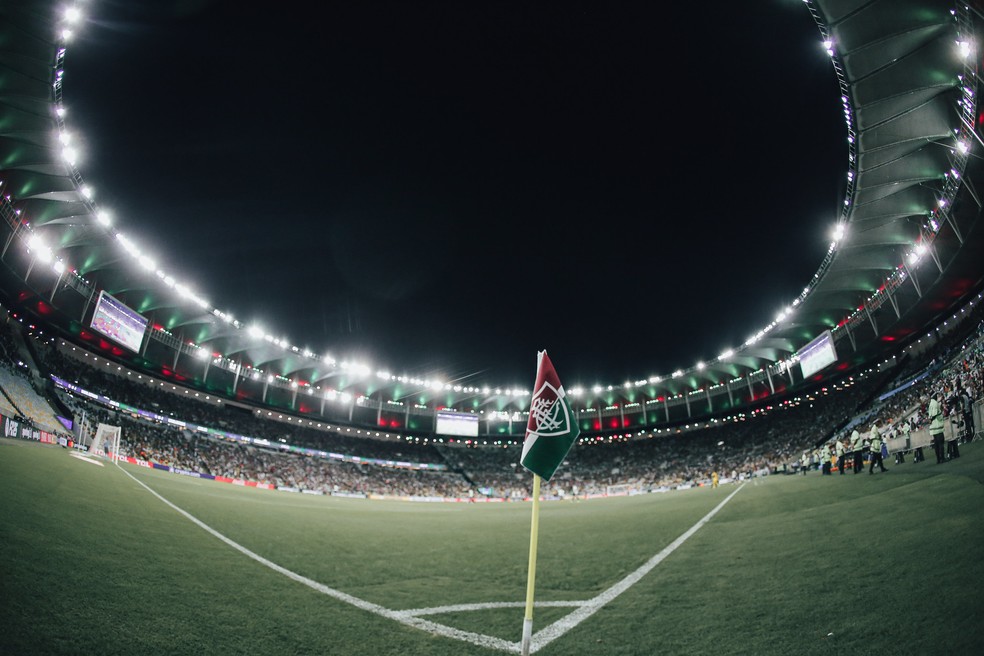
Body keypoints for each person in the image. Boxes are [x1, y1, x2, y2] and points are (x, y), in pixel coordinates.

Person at [928, 392, 946, 464]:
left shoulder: (930, 404)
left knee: (936, 445)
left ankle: (938, 459)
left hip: (933, 428)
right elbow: (934, 415)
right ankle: (942, 458)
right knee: (941, 443)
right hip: (937, 426)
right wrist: (931, 420)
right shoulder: (935, 403)